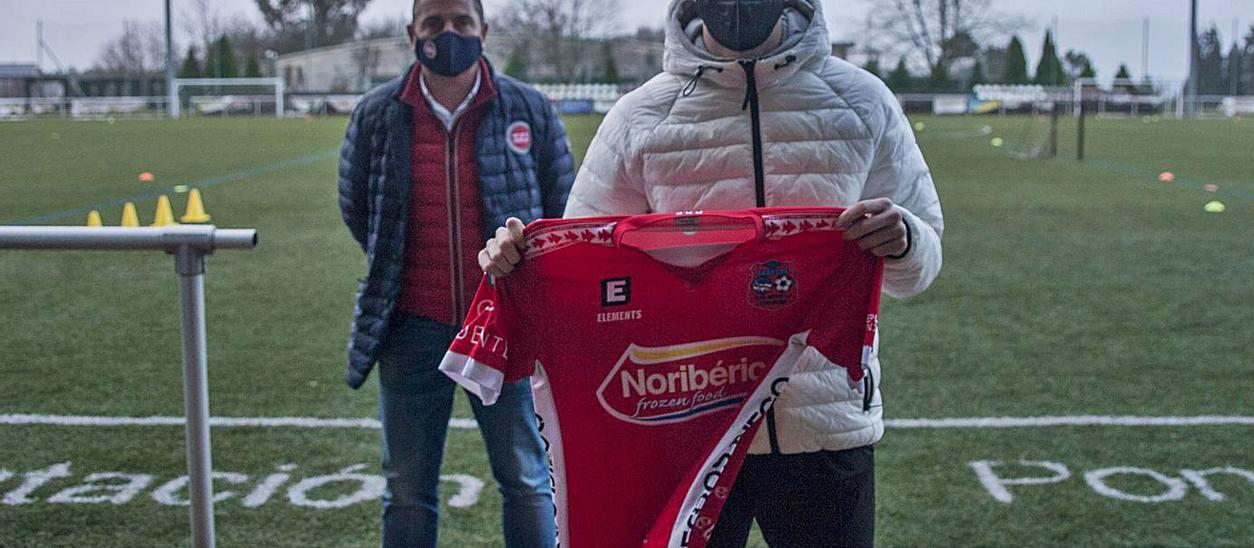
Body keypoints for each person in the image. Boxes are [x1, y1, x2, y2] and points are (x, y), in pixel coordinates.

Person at [480, 0, 943, 546]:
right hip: (686, 430)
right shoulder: (639, 116)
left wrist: (906, 239)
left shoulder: (863, 101)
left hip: (826, 424)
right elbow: (585, 266)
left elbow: (921, 264)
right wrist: (520, 260)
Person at [338, 0, 574, 545]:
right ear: (411, 33)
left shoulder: (529, 109)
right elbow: (358, 209)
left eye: (461, 23)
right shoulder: (377, 113)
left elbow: (560, 207)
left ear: (483, 31)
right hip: (409, 326)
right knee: (406, 485)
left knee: (527, 478)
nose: (449, 34)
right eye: (434, 24)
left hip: (505, 325)